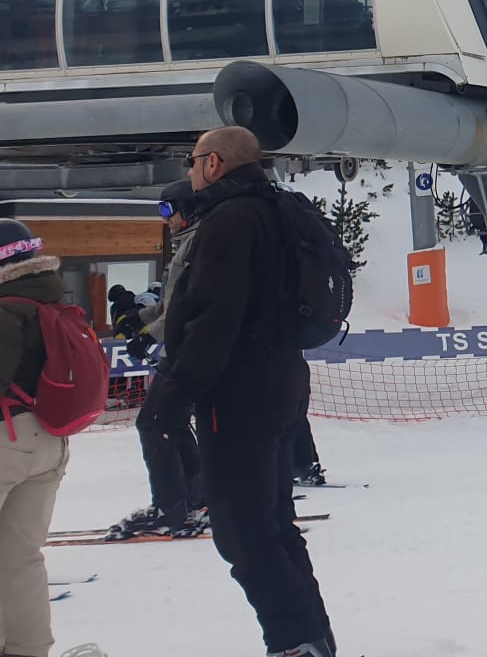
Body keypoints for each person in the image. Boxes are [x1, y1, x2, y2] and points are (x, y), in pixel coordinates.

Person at [143, 126, 335, 657]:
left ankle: (294, 643)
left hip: (238, 392)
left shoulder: (229, 221)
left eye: (193, 159)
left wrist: (170, 395)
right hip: (281, 380)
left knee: (244, 533)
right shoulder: (277, 209)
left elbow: (211, 319)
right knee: (273, 525)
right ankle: (311, 639)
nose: (189, 170)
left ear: (214, 163)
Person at [105, 180, 209, 541]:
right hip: (183, 348)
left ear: (188, 210)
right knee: (173, 420)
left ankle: (170, 506)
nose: (164, 219)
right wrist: (140, 319)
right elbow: (169, 307)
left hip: (190, 350)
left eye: (168, 210)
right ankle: (196, 496)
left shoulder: (199, 244)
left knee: (152, 422)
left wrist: (150, 336)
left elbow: (187, 308)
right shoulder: (185, 244)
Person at [0, 220, 70, 657]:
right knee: (20, 555)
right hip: (48, 440)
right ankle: (29, 648)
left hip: (8, 437)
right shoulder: (52, 300)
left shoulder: (6, 310)